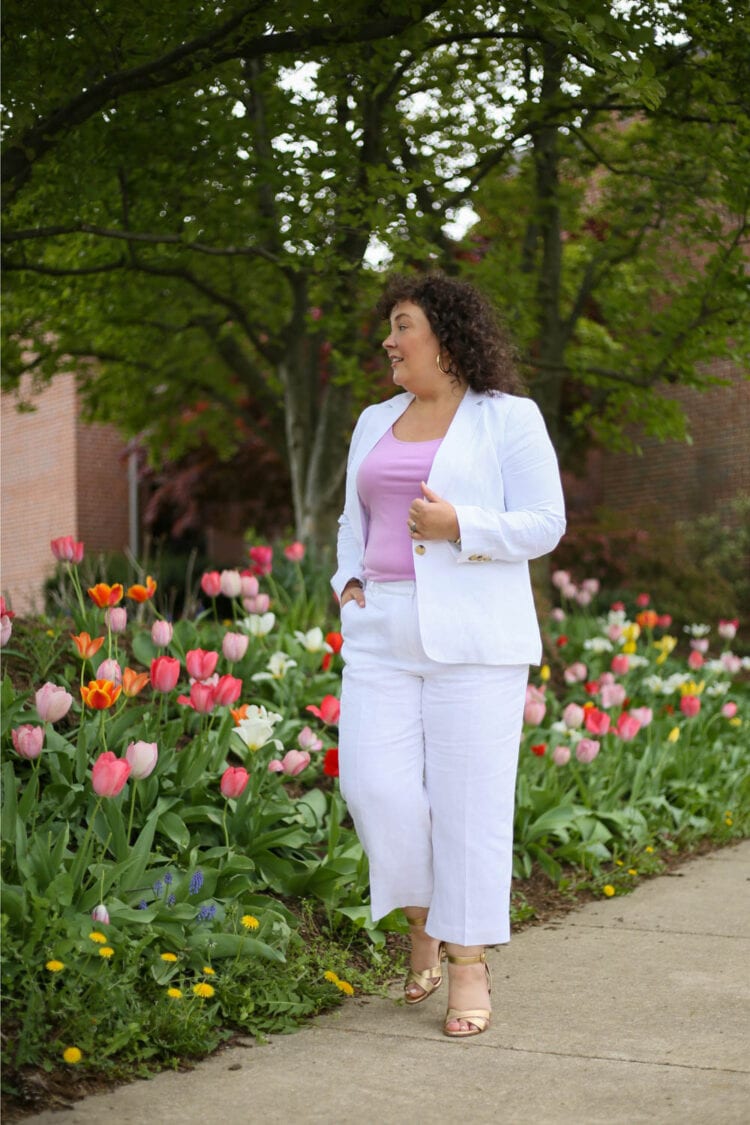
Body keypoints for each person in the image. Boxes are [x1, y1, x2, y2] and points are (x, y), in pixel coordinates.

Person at [331, 272, 566, 1038]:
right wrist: (349, 579)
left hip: (475, 637)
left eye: (402, 326)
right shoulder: (374, 419)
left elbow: (544, 523)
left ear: (447, 335)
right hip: (381, 632)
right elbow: (350, 517)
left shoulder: (509, 419)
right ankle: (425, 916)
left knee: (470, 805)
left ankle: (465, 964)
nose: (390, 342)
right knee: (373, 787)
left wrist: (461, 521)